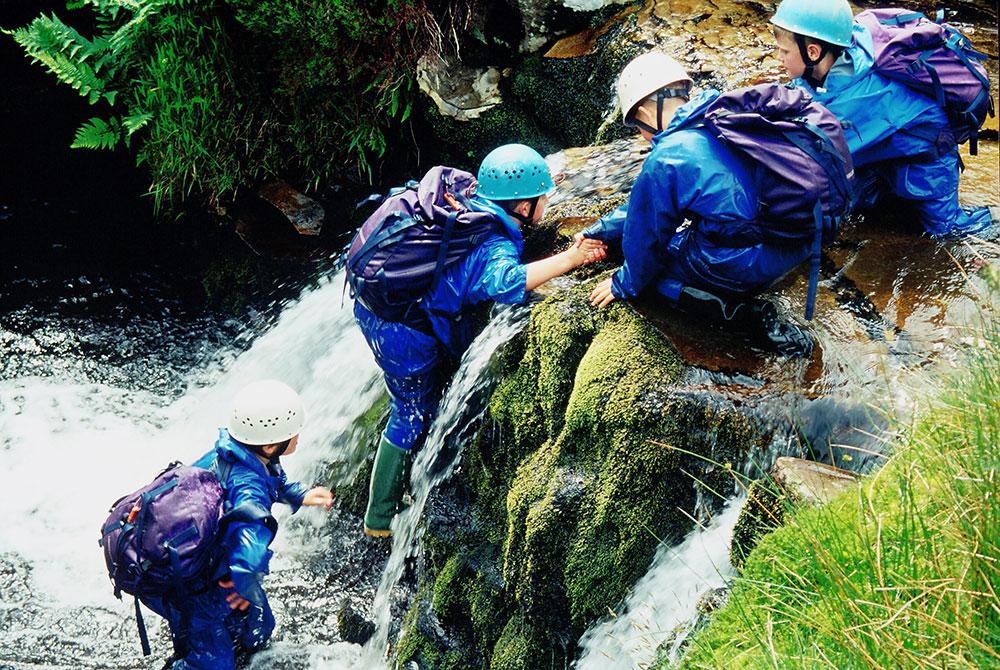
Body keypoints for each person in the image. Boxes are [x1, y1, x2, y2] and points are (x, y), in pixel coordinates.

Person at [353, 143, 606, 537]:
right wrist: (570, 259)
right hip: (400, 330)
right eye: (543, 197)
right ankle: (380, 516)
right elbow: (506, 283)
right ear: (523, 207)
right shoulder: (492, 243)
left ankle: (397, 484)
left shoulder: (465, 199)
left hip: (375, 304)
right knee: (410, 410)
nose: (547, 203)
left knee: (419, 398)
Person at [581, 52, 819, 356]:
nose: (641, 136)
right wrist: (602, 228)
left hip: (754, 257)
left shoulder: (666, 158)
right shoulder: (725, 113)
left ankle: (752, 320)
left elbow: (646, 239)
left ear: (643, 112)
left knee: (657, 276)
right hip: (799, 234)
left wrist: (623, 282)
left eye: (636, 126)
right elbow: (649, 205)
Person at [144, 379, 334, 670]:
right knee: (212, 660)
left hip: (201, 559)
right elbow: (249, 556)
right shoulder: (249, 490)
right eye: (294, 435)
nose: (298, 439)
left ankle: (236, 644)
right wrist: (244, 587)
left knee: (258, 625)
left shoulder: (233, 453)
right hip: (192, 580)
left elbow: (272, 481)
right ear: (271, 445)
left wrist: (300, 494)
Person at [769, 0, 994, 238]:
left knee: (946, 232)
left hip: (926, 160)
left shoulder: (862, 96)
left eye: (784, 51)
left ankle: (993, 218)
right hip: (884, 147)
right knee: (861, 208)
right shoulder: (837, 58)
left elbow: (813, 151)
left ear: (812, 52)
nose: (778, 57)